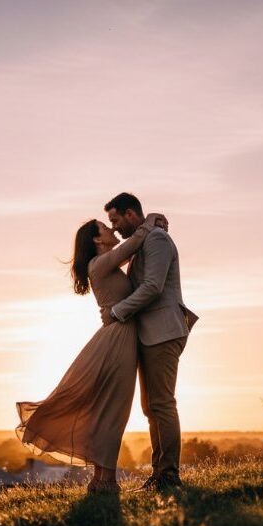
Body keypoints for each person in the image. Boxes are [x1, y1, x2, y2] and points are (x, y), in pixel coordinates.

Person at [16, 211, 166, 493]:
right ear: (97, 239)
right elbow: (134, 243)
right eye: (104, 227)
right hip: (117, 340)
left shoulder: (105, 264)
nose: (111, 229)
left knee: (108, 411)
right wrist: (152, 219)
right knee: (114, 412)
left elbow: (132, 252)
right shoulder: (99, 264)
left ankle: (101, 479)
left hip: (118, 338)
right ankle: (106, 480)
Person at [102, 192, 198, 491]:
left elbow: (153, 287)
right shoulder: (144, 239)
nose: (114, 227)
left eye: (115, 220)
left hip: (163, 332)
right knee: (151, 407)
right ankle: (159, 474)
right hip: (150, 333)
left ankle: (168, 475)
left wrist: (117, 312)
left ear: (130, 214)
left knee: (162, 404)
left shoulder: (157, 240)